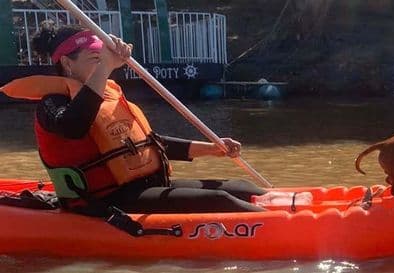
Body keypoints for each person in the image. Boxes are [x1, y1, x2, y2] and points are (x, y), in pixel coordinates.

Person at [1, 21, 266, 214]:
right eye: (95, 58)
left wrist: (214, 149)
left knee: (239, 186)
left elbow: (151, 143)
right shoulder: (52, 102)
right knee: (220, 200)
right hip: (105, 200)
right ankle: (287, 227)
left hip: (143, 187)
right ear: (68, 64)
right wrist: (106, 64)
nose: (102, 65)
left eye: (102, 59)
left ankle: (286, 205)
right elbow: (73, 126)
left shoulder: (110, 94)